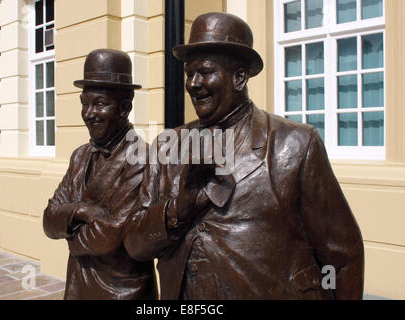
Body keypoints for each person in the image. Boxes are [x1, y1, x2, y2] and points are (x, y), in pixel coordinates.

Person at [124, 12, 364, 299]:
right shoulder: (168, 147)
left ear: (239, 77)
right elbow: (135, 244)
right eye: (189, 73)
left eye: (206, 72)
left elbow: (343, 255)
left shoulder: (295, 144)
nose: (193, 83)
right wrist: (179, 209)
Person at [43, 49, 157, 300]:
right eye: (85, 103)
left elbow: (107, 236)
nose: (89, 113)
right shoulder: (79, 157)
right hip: (79, 285)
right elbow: (49, 221)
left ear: (125, 108)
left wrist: (70, 234)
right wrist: (80, 211)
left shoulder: (143, 159)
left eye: (100, 104)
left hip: (124, 290)